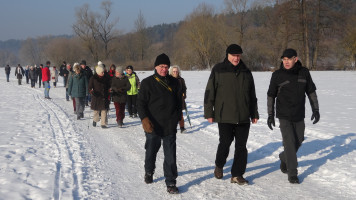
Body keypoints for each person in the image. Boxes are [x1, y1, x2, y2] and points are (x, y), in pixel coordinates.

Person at [204, 44, 259, 185]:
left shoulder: (246, 71)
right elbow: (210, 92)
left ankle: (237, 175)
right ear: (227, 55)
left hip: (243, 116)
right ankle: (219, 165)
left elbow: (252, 94)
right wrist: (209, 112)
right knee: (225, 143)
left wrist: (254, 112)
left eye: (239, 55)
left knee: (241, 146)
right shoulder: (218, 70)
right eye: (234, 55)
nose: (236, 58)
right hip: (224, 115)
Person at [267, 48, 320, 184]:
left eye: (289, 59)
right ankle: (292, 173)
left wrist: (316, 109)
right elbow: (271, 95)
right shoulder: (277, 75)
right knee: (289, 143)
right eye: (284, 59)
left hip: (299, 114)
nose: (286, 62)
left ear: (295, 59)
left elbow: (311, 91)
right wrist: (270, 115)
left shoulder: (304, 72)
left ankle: (284, 157)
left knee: (299, 139)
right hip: (284, 115)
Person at [137, 53, 182, 194]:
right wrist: (144, 119)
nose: (164, 69)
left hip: (169, 125)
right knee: (151, 151)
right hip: (152, 124)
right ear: (155, 67)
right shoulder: (147, 82)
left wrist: (176, 118)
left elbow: (179, 103)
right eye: (161, 66)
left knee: (170, 156)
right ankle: (149, 171)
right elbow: (140, 104)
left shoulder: (175, 83)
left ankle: (171, 182)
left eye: (166, 66)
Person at [169, 65, 187, 133]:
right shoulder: (168, 79)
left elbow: (184, 88)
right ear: (171, 72)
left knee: (180, 114)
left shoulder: (181, 80)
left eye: (176, 71)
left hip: (180, 100)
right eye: (174, 71)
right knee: (171, 115)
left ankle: (182, 128)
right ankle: (171, 128)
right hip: (171, 100)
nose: (175, 72)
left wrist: (184, 95)